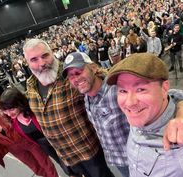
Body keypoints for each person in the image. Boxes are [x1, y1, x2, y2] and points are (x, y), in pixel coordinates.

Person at [62, 52, 183, 177]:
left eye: (78, 72)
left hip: (139, 159)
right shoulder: (86, 97)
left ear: (93, 68)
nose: (75, 78)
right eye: (70, 76)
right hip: (117, 160)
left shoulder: (115, 89)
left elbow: (170, 93)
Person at [106, 53, 183, 177]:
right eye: (123, 90)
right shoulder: (141, 114)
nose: (129, 103)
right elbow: (173, 94)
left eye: (141, 89)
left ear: (164, 88)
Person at [23, 38, 114, 177]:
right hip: (66, 155)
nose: (42, 63)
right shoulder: (30, 86)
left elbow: (102, 78)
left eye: (45, 55)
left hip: (88, 150)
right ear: (27, 63)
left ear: (52, 53)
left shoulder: (70, 74)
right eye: (34, 59)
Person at [0, 83, 59, 177]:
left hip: (28, 141)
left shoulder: (4, 111)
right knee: (37, 170)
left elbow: (21, 108)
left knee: (46, 165)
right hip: (16, 150)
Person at [0, 87, 75, 176]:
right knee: (62, 163)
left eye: (11, 109)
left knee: (71, 160)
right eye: (5, 111)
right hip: (43, 145)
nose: (9, 114)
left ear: (19, 103)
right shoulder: (14, 122)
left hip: (56, 139)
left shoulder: (34, 110)